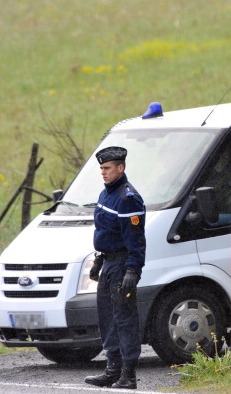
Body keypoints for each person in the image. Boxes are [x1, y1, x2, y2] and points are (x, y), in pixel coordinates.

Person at [84, 146, 146, 390]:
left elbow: (135, 240)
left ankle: (128, 375)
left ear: (121, 168)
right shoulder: (106, 194)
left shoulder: (128, 198)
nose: (103, 172)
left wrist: (133, 271)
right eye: (101, 168)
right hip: (109, 262)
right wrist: (99, 260)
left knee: (124, 320)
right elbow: (105, 232)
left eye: (107, 168)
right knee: (107, 319)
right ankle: (112, 370)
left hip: (122, 265)